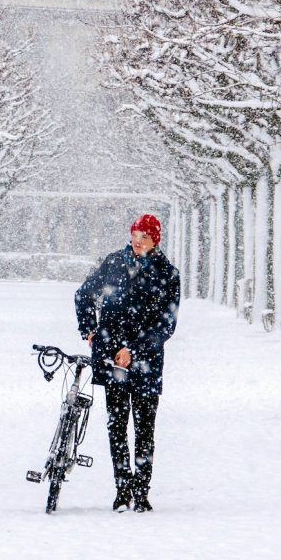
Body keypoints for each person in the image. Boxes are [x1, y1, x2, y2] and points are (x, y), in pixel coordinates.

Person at [74, 214, 181, 513]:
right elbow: (83, 295)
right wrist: (89, 330)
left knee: (145, 429)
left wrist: (134, 349)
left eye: (145, 236)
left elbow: (166, 324)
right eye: (135, 233)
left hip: (146, 362)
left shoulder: (167, 274)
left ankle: (142, 491)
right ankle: (122, 489)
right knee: (117, 427)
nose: (138, 240)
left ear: (155, 240)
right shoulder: (112, 264)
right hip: (112, 360)